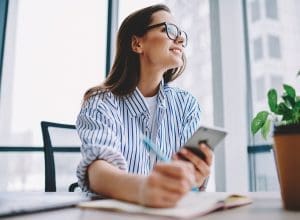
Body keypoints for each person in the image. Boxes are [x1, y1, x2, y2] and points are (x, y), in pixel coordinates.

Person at [76, 4, 213, 208]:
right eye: (169, 30)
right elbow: (97, 172)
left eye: (182, 34)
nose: (181, 39)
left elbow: (190, 181)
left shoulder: (187, 105)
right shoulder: (101, 104)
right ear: (137, 43)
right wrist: (144, 189)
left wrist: (195, 177)